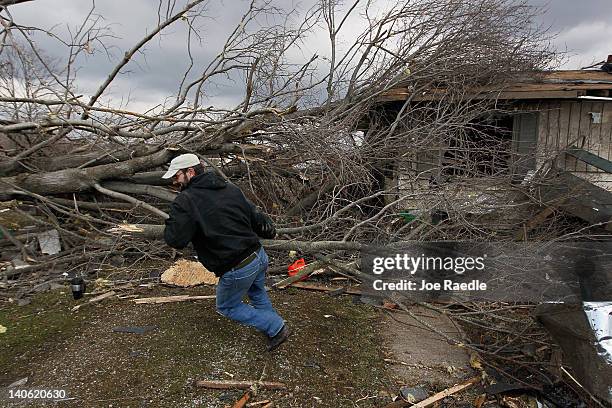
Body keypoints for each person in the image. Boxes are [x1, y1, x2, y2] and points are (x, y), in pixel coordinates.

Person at [161, 153, 290, 351]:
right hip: (258, 255)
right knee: (256, 291)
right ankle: (273, 328)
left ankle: (276, 326)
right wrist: (269, 230)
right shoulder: (229, 188)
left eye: (176, 176)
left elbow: (175, 239)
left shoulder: (186, 201)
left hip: (237, 267)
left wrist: (175, 217)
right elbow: (255, 217)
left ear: (190, 172)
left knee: (227, 307)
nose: (174, 181)